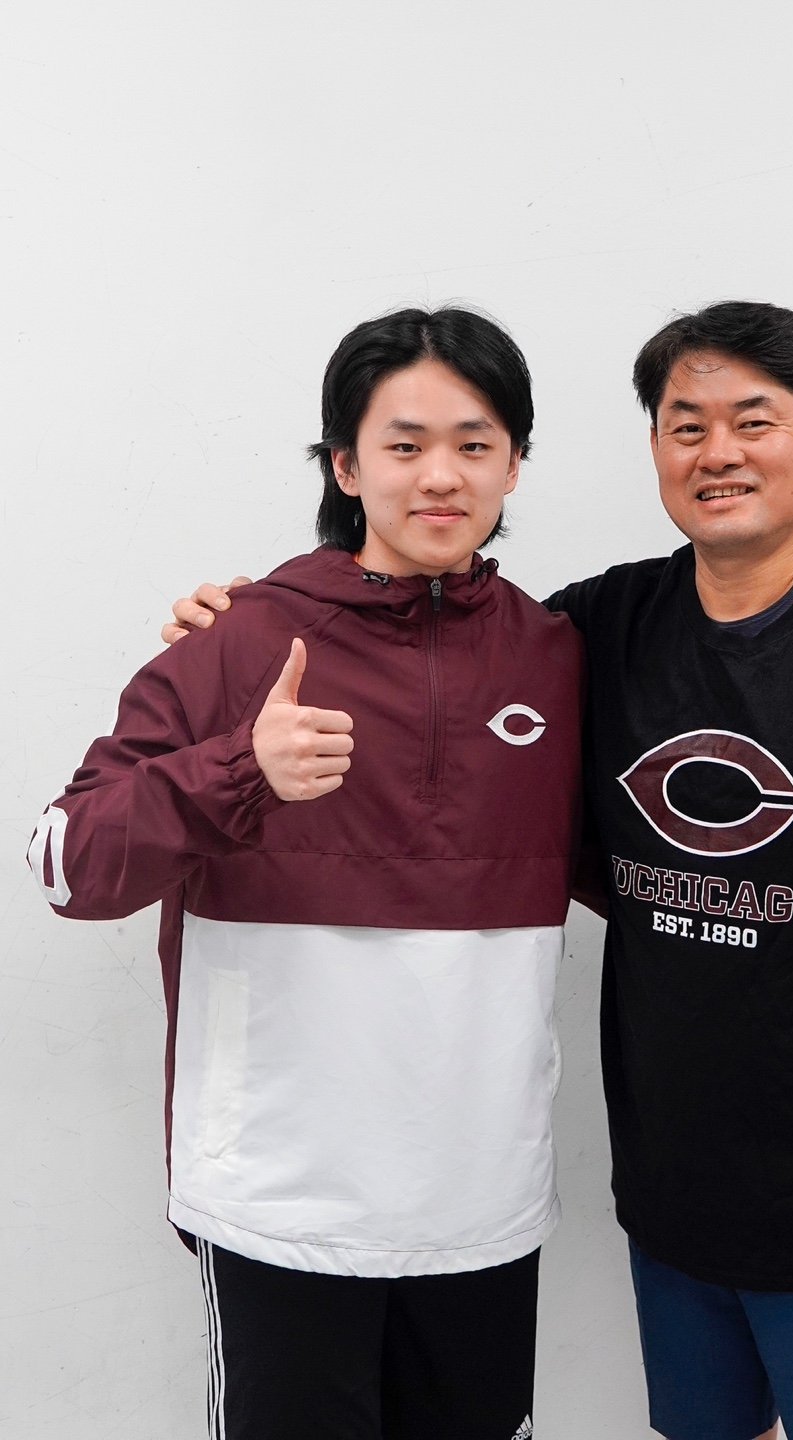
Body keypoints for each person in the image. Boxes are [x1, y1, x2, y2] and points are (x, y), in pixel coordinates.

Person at [162, 301, 793, 1440]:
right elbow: (437, 663)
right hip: (676, 1202)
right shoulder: (601, 631)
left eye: (753, 422)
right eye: (685, 426)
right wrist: (255, 625)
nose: (717, 453)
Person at [29, 307, 585, 1440]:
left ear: (515, 463)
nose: (441, 475)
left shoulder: (559, 656)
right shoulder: (239, 642)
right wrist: (237, 770)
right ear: (346, 465)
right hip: (281, 1202)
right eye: (404, 444)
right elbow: (66, 868)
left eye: (475, 444)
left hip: (482, 1199)